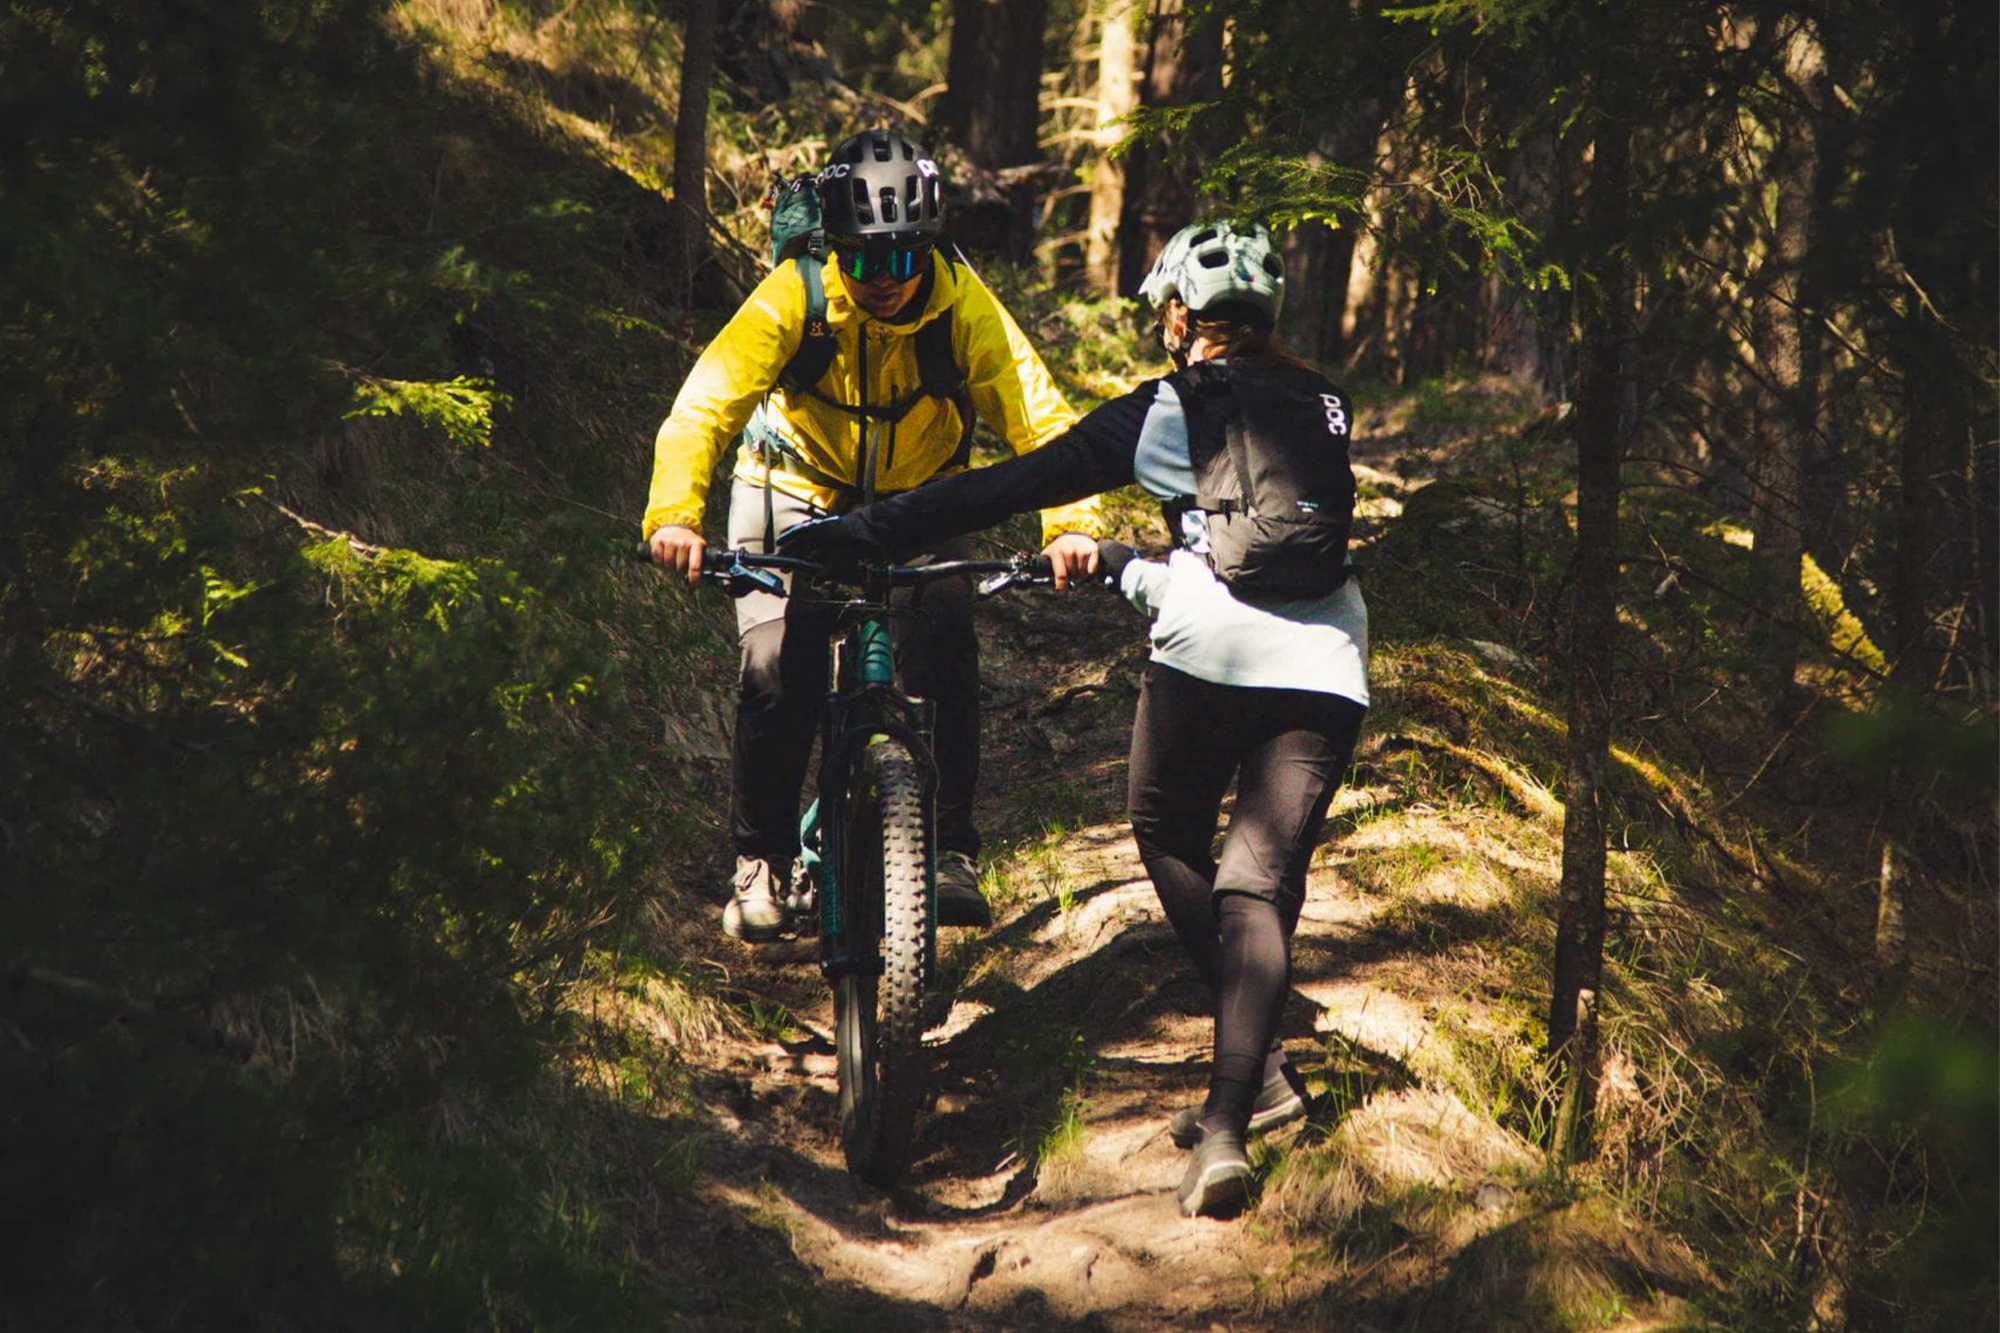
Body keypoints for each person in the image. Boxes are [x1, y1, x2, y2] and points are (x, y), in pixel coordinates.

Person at [778, 219, 1368, 1218]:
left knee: (1168, 832)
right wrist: (1126, 566)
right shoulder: (1325, 402)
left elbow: (1014, 482)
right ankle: (1233, 1114)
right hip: (1329, 665)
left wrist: (858, 530)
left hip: (1207, 657)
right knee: (1257, 884)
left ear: (1181, 315)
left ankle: (1253, 1082)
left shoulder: (1170, 405)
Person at [643, 128, 1102, 942]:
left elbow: (1041, 417)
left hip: (916, 502)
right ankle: (763, 861)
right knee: (773, 667)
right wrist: (676, 513)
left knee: (948, 639)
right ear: (838, 251)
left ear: (927, 249)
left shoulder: (961, 303)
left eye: (901, 261)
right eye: (863, 260)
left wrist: (1070, 524)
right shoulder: (797, 294)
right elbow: (705, 403)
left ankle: (951, 849)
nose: (883, 281)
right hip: (791, 492)